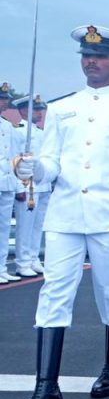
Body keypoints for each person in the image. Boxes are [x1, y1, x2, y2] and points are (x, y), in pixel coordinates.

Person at [11, 25, 109, 399]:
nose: (92, 61)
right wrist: (36, 167)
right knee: (54, 293)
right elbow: (53, 163)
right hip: (66, 214)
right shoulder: (61, 107)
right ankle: (45, 388)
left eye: (101, 55)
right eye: (87, 55)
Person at [12, 95, 51, 278]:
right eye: (35, 109)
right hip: (27, 185)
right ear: (22, 110)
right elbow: (15, 160)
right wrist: (19, 186)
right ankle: (22, 262)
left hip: (42, 185)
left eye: (40, 109)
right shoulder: (18, 131)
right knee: (25, 227)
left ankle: (34, 258)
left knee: (38, 226)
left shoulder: (40, 131)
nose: (39, 113)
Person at [0, 83, 21, 284]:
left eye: (5, 98)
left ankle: (1, 267)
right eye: (2, 98)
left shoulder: (7, 125)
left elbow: (14, 156)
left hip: (6, 182)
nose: (4, 101)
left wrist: (18, 184)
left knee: (4, 227)